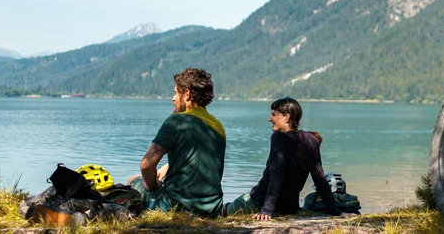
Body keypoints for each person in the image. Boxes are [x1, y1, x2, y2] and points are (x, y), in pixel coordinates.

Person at [224, 97, 355, 220]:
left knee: (225, 209)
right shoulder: (311, 139)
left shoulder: (279, 138)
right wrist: (336, 212)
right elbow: (320, 179)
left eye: (274, 114)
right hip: (289, 208)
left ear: (287, 117)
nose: (270, 118)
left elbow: (276, 176)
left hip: (258, 202)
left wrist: (267, 210)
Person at [127, 67, 226, 217]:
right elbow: (198, 156)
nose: (173, 98)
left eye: (175, 92)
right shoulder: (218, 126)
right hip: (212, 209)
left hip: (175, 206)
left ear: (186, 94)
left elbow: (146, 165)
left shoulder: (176, 122)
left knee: (134, 180)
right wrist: (170, 165)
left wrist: (153, 186)